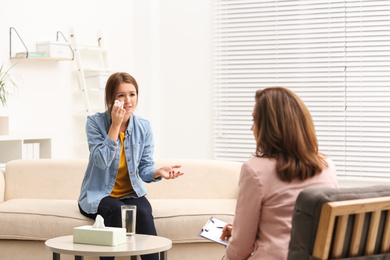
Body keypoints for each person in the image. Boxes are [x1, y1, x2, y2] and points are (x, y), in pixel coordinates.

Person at [220, 87, 338, 260]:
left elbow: (240, 251)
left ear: (270, 127)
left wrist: (232, 246)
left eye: (254, 120)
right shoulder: (327, 166)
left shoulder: (254, 170)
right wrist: (238, 232)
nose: (251, 128)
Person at [78, 72, 183, 260]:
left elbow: (144, 167)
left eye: (132, 94)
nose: (128, 100)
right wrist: (115, 126)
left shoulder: (144, 126)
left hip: (130, 194)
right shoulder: (94, 123)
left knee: (142, 212)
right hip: (100, 195)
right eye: (121, 95)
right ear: (111, 98)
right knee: (117, 211)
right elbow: (101, 162)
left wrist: (157, 171)